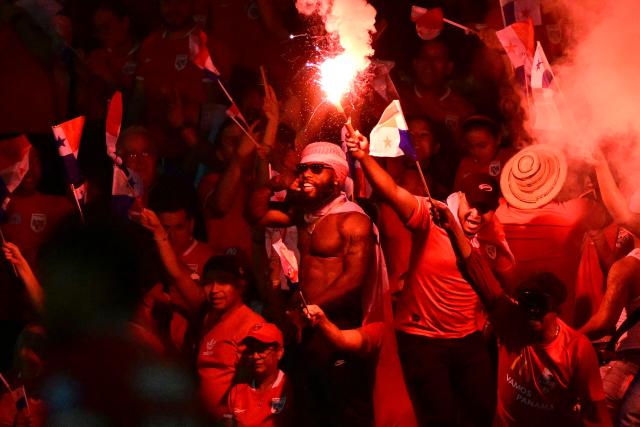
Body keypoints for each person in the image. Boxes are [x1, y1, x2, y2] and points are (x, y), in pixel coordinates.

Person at [346, 132, 509, 426]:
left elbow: (501, 289)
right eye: (472, 204)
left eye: (485, 209)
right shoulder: (435, 217)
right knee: (439, 418)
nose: (476, 214)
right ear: (459, 197)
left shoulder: (492, 239)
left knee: (482, 411)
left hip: (467, 340)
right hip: (424, 339)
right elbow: (394, 193)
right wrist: (364, 157)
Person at [496, 144, 608, 324]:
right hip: (559, 328)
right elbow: (608, 213)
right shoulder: (574, 213)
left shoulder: (499, 215)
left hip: (514, 327)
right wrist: (599, 166)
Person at [225, 322, 293, 427]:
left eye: (261, 349)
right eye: (252, 350)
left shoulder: (293, 390)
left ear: (279, 352)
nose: (255, 356)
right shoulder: (237, 392)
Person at [453, 115, 516, 191]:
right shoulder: (465, 164)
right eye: (471, 146)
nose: (476, 152)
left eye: (482, 146)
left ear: (498, 139)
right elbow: (456, 195)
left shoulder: (510, 157)